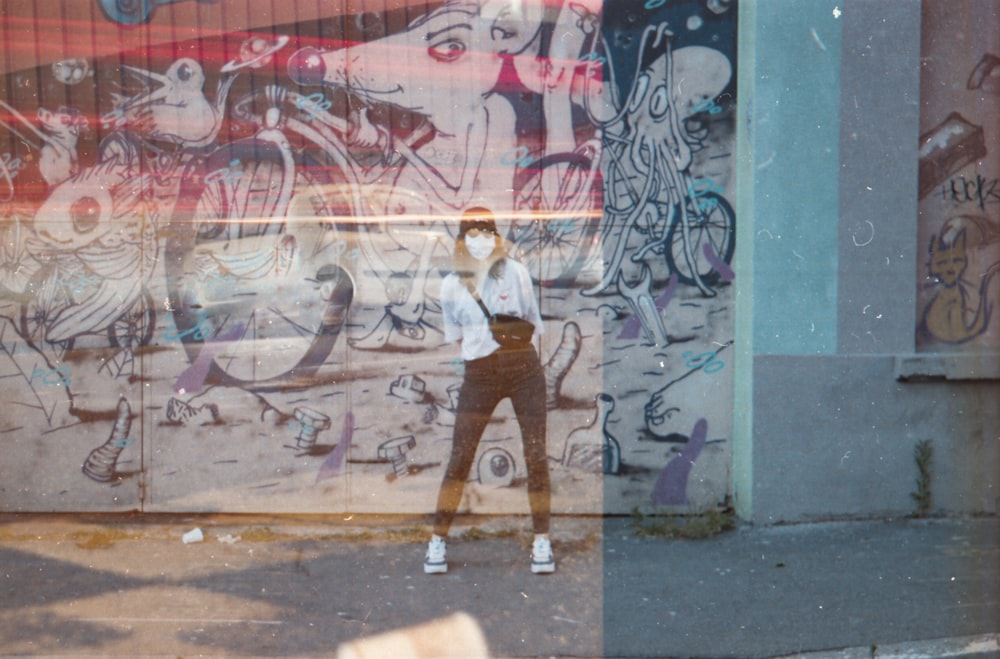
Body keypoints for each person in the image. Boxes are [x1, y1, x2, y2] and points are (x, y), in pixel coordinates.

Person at [425, 207, 554, 575]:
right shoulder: (451, 284)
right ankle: (438, 541)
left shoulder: (516, 273)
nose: (480, 243)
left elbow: (530, 320)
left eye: (487, 235)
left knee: (535, 454)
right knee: (461, 455)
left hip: (524, 369)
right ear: (462, 241)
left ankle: (542, 539)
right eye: (472, 235)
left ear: (496, 239)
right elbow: (458, 336)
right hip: (480, 374)